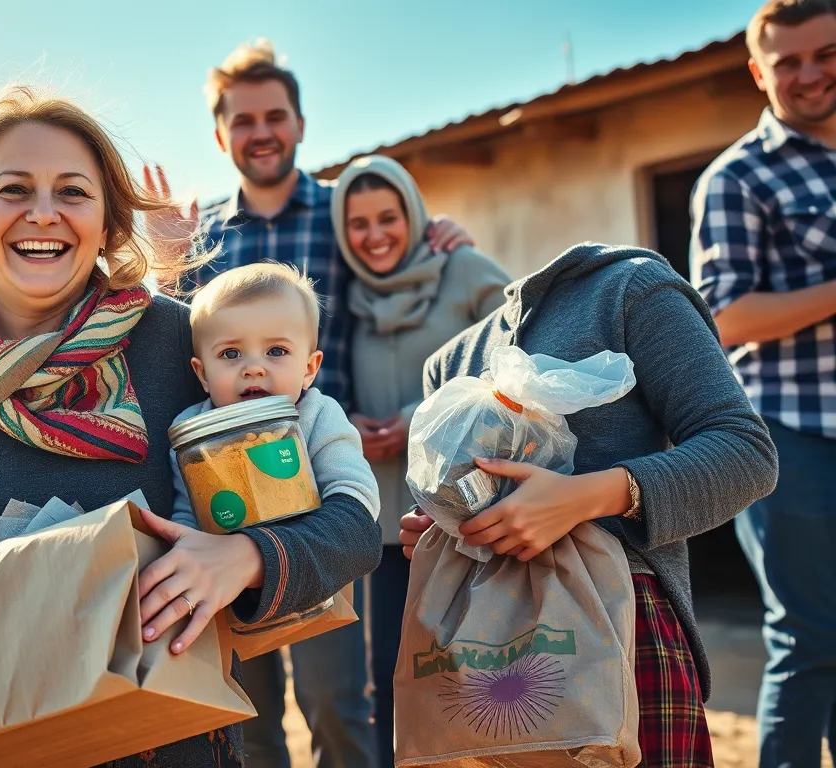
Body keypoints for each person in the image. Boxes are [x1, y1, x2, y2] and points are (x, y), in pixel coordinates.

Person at [0, 84, 383, 766]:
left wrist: (243, 557)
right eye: (14, 190)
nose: (44, 214)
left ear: (108, 222)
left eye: (73, 192)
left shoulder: (185, 348)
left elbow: (351, 528)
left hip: (173, 745)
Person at [144, 39, 473, 768]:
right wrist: (168, 268)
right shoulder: (204, 236)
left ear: (298, 122)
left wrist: (439, 238)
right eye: (243, 119)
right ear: (220, 134)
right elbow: (181, 348)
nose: (261, 131)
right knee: (253, 714)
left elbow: (397, 252)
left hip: (326, 466)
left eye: (274, 115)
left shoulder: (342, 211)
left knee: (336, 700)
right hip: (230, 486)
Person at [397, 242, 779, 767]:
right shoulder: (451, 363)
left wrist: (581, 499)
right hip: (481, 638)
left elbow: (744, 453)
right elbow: (456, 500)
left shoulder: (628, 291)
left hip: (620, 620)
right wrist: (442, 532)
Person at [689, 1, 836, 765]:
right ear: (759, 72)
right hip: (790, 432)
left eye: (825, 53)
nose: (809, 73)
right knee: (810, 636)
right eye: (789, 62)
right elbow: (725, 316)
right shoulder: (736, 177)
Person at [329, 155, 511, 766]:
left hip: (470, 512)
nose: (375, 235)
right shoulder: (344, 293)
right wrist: (349, 421)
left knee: (482, 667)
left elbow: (521, 351)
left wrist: (420, 415)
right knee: (395, 673)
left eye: (389, 217)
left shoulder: (462, 269)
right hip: (386, 518)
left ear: (414, 213)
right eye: (358, 223)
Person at [168, 263, 380, 534]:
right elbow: (188, 512)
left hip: (307, 562)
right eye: (231, 354)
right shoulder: (193, 431)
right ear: (203, 374)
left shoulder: (318, 415)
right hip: (221, 571)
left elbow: (354, 491)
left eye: (276, 351)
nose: (254, 368)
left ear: (309, 368)